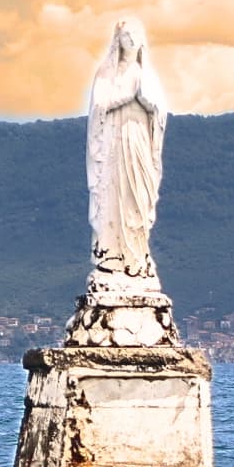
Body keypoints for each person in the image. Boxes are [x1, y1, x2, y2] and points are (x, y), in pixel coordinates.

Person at [85, 17, 167, 296]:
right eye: (126, 34)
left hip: (140, 142)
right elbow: (98, 108)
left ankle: (136, 259)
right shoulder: (107, 74)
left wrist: (146, 100)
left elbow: (160, 113)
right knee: (113, 198)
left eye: (135, 34)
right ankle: (111, 257)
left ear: (143, 40)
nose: (130, 39)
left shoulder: (148, 76)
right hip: (114, 145)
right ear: (117, 40)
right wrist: (124, 96)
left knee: (138, 201)